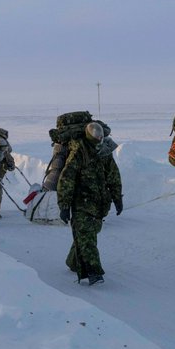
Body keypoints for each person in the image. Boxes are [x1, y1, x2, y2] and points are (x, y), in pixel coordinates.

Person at [57, 121, 123, 285]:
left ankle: (73, 261)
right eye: (96, 136)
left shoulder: (105, 151)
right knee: (87, 238)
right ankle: (94, 272)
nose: (99, 139)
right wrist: (64, 205)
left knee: (88, 234)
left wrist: (117, 198)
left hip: (99, 203)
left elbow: (113, 175)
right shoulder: (79, 152)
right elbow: (67, 179)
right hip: (81, 203)